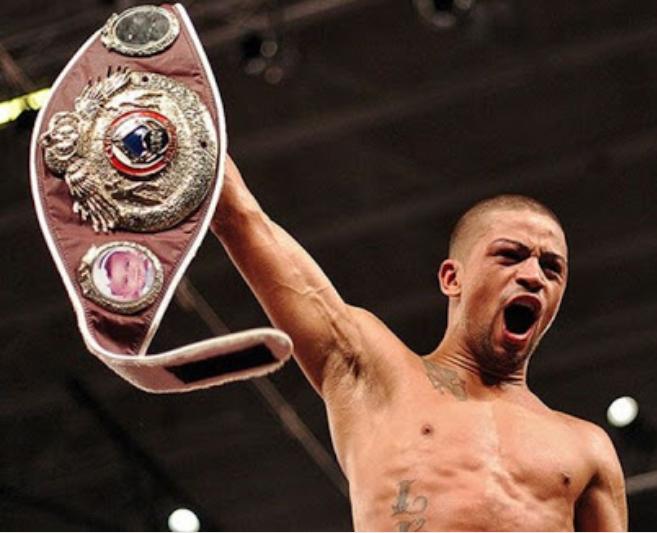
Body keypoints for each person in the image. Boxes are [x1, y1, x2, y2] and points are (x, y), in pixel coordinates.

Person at [211, 155, 627, 531]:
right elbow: (242, 218)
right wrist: (184, 112)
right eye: (510, 255)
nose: (534, 276)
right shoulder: (376, 373)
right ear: (452, 278)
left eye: (552, 268)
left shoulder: (587, 447)